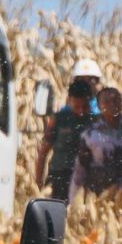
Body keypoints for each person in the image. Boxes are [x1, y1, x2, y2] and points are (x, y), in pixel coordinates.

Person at [74, 84, 122, 199]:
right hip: (100, 191)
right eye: (107, 102)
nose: (112, 105)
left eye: (115, 101)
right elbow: (81, 169)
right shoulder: (91, 131)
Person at [37, 64, 99, 202]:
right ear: (70, 100)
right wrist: (39, 184)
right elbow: (43, 152)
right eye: (77, 107)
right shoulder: (58, 119)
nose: (81, 111)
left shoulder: (97, 122)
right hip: (59, 181)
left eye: (85, 106)